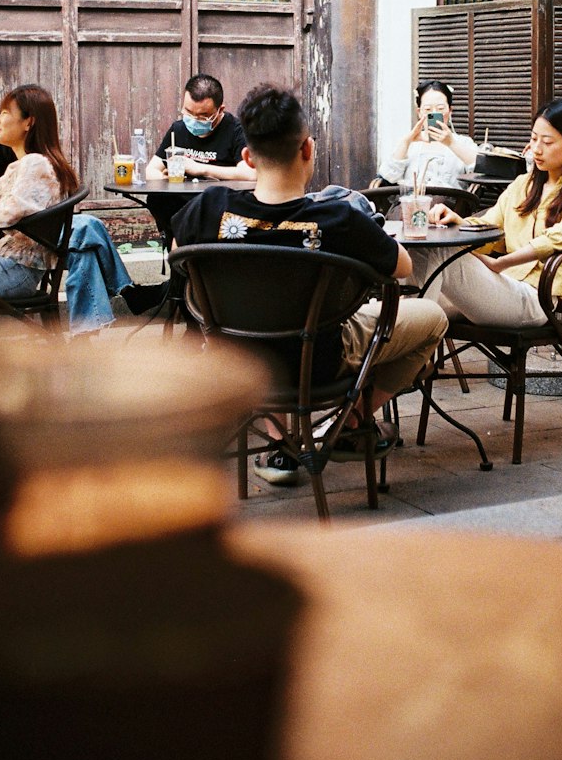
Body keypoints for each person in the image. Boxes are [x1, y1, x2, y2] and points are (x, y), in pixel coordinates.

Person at [170, 84, 448, 487]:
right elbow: (402, 267)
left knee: (265, 322)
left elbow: (179, 256)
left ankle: (280, 444)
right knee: (434, 318)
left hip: (238, 358)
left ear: (247, 157)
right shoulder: (339, 219)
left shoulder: (207, 209)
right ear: (307, 150)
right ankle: (348, 421)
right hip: (320, 359)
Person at [412, 98, 562, 331]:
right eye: (533, 139)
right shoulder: (524, 184)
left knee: (436, 258)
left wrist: (501, 263)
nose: (537, 149)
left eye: (547, 142)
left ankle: (414, 341)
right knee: (415, 263)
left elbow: (558, 239)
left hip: (536, 298)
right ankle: (412, 351)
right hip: (502, 285)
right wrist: (456, 220)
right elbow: (489, 226)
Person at [0, 85, 81, 304]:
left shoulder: (37, 164)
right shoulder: (20, 166)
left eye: (5, 113)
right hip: (5, 268)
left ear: (28, 122)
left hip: (14, 273)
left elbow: (14, 209)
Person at [146, 73, 257, 183]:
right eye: (188, 112)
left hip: (217, 198)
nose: (194, 120)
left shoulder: (236, 130)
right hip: (180, 198)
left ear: (220, 110)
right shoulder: (178, 130)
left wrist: (200, 169)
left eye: (203, 116)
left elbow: (251, 173)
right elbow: (151, 171)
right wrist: (165, 178)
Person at [377, 80, 477, 190]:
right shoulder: (409, 143)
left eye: (440, 108)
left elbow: (480, 171)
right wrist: (406, 143)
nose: (434, 114)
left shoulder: (463, 143)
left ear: (450, 111)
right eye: (428, 109)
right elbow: (388, 177)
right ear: (419, 112)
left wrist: (452, 143)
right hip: (410, 204)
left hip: (450, 206)